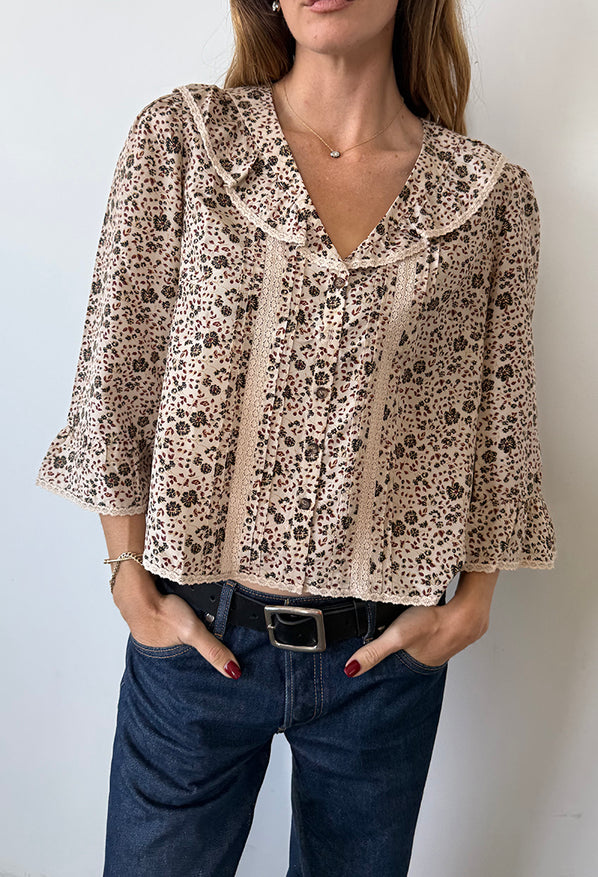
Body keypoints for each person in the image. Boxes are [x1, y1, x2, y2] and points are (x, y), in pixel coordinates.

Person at [35, 0, 558, 874]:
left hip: (380, 665)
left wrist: (470, 603)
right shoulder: (186, 142)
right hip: (196, 643)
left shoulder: (486, 197)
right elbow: (116, 376)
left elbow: (501, 424)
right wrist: (129, 575)